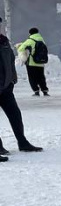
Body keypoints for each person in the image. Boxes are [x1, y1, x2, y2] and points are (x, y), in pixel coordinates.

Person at [0, 17, 43, 161]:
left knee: (15, 115)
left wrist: (13, 77)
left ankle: (23, 142)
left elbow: (11, 60)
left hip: (6, 87)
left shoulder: (4, 41)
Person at [17, 28, 49, 97]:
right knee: (41, 77)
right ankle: (45, 91)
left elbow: (21, 48)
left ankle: (36, 91)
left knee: (32, 78)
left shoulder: (30, 40)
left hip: (32, 63)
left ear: (30, 33)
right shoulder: (42, 40)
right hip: (41, 63)